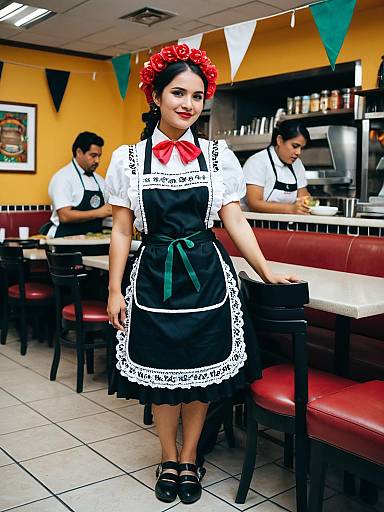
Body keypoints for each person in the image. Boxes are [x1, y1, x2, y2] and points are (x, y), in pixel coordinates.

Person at [105, 43, 299, 505]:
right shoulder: (127, 160)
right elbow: (120, 230)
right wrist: (114, 290)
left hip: (210, 278)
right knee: (161, 378)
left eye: (197, 96)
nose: (188, 104)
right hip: (152, 276)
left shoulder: (218, 156)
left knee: (197, 378)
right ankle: (167, 457)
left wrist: (266, 272)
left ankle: (190, 457)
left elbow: (234, 220)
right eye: (177, 92)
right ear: (155, 96)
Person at [43, 131, 111, 237]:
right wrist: (98, 212)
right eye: (93, 155)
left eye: (99, 156)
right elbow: (64, 216)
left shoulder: (100, 181)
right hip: (64, 239)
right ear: (79, 152)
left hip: (92, 239)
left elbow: (107, 211)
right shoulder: (63, 178)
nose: (97, 160)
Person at [243, 120, 312, 214]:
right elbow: (254, 203)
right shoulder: (257, 162)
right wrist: (290, 209)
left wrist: (305, 202)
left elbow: (302, 193)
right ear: (279, 140)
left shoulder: (297, 164)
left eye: (301, 148)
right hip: (257, 224)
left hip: (286, 225)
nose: (298, 152)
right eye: (295, 146)